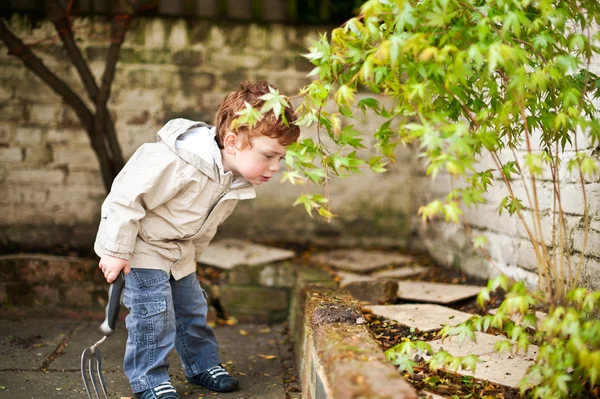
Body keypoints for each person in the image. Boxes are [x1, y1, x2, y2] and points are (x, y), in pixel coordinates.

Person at [94, 81, 300, 399]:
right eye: (269, 156)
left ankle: (201, 364)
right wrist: (115, 251)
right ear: (232, 141)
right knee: (154, 314)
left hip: (180, 254)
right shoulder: (175, 161)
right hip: (144, 247)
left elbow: (204, 227)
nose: (275, 167)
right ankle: (149, 379)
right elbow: (124, 199)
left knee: (193, 309)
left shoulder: (232, 182)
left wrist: (191, 260)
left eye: (280, 159)